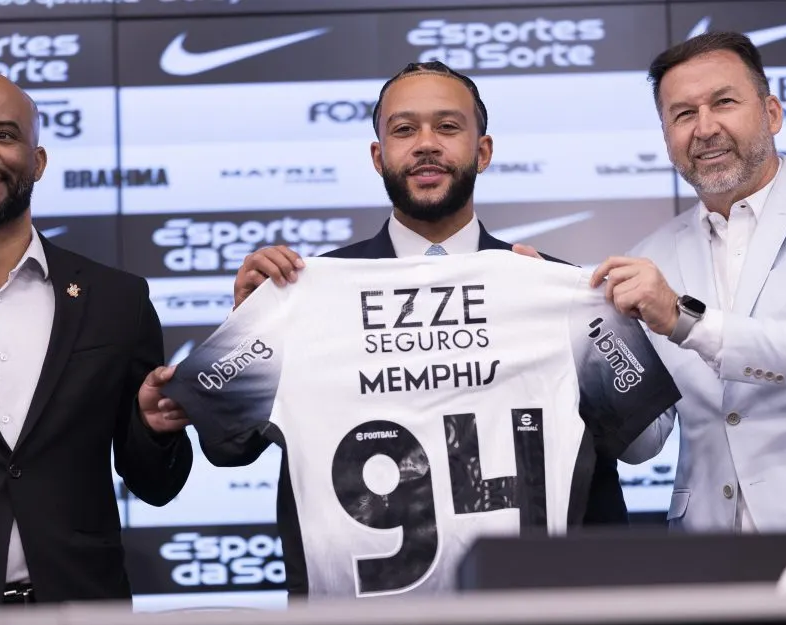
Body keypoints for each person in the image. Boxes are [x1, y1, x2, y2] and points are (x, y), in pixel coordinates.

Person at [225, 61, 658, 596]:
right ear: (378, 156)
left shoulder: (559, 289)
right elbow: (230, 445)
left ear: (483, 151)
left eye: (448, 127)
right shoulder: (303, 295)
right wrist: (247, 330)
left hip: (542, 624)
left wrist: (609, 327)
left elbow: (646, 442)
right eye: (404, 129)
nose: (426, 144)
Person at [0, 73, 193, 608]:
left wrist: (153, 430)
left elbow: (156, 486)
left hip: (82, 622)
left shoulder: (117, 300)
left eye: (5, 135)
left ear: (39, 160)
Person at [593, 32, 786, 532]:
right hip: (711, 547)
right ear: (667, 137)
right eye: (683, 114)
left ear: (772, 113)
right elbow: (645, 441)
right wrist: (577, 342)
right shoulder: (649, 257)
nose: (705, 128)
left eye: (724, 102)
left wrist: (684, 320)